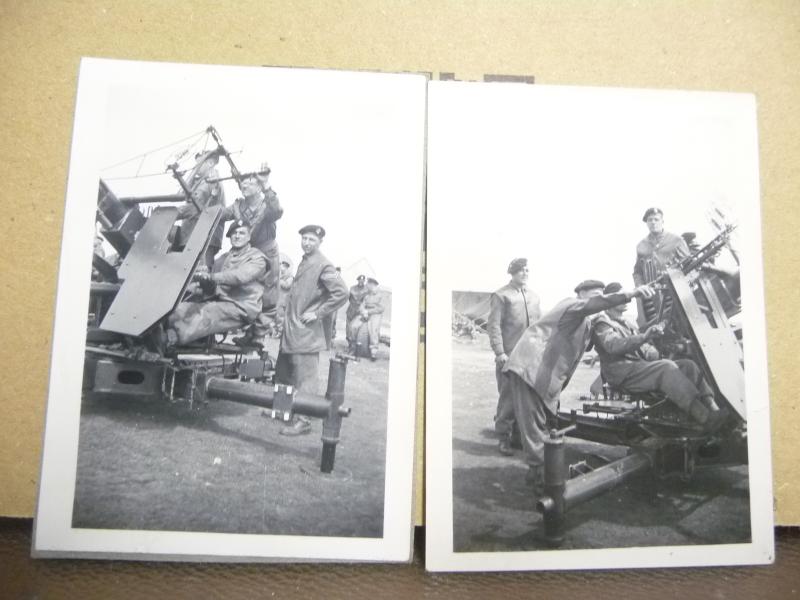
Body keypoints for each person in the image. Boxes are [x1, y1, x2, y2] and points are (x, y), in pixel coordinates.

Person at [500, 279, 655, 490]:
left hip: (543, 377)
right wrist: (631, 294)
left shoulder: (585, 321)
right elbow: (592, 306)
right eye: (595, 296)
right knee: (536, 427)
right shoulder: (571, 305)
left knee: (542, 424)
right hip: (530, 370)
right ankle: (540, 478)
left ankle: (535, 470)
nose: (599, 301)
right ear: (581, 294)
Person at [591, 281, 727, 429]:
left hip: (637, 367)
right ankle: (704, 417)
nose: (628, 299)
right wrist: (644, 337)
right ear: (612, 299)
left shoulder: (628, 323)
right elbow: (613, 345)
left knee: (688, 365)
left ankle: (714, 410)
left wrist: (656, 347)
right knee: (666, 368)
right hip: (623, 374)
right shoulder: (602, 323)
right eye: (622, 296)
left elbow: (643, 348)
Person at [275, 225, 348, 435]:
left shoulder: (323, 265)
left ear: (319, 242)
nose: (306, 243)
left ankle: (304, 420)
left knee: (305, 378)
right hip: (291, 330)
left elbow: (342, 293)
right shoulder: (305, 261)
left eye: (311, 240)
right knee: (284, 372)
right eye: (304, 239)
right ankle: (282, 411)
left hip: (306, 333)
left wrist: (317, 313)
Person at [164, 219, 267, 346]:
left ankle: (168, 340)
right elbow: (209, 280)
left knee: (206, 312)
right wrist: (198, 279)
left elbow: (241, 276)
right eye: (234, 233)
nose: (237, 236)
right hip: (220, 301)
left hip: (242, 307)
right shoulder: (223, 259)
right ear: (230, 237)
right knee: (179, 310)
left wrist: (211, 277)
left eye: (242, 233)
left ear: (249, 236)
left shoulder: (257, 258)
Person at [219, 167, 283, 349]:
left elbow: (277, 210)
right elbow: (220, 214)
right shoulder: (238, 205)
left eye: (250, 182)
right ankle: (248, 331)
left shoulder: (266, 205)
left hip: (267, 251)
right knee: (246, 291)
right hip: (248, 252)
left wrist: (266, 184)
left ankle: (258, 335)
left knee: (268, 295)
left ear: (259, 187)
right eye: (243, 182)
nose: (244, 184)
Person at [487, 258, 541, 456]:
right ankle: (503, 438)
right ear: (512, 273)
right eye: (520, 270)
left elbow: (539, 327)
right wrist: (500, 352)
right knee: (508, 397)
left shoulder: (534, 297)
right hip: (508, 356)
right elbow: (493, 326)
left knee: (527, 398)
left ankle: (519, 437)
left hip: (530, 357)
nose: (525, 273)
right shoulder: (501, 296)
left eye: (527, 270)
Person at [632, 207, 691, 326]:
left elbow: (689, 265)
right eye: (650, 220)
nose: (653, 222)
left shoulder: (676, 240)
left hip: (675, 292)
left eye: (656, 219)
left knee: (680, 322)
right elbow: (637, 272)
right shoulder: (641, 246)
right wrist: (640, 286)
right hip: (652, 296)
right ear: (646, 223)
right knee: (659, 325)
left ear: (662, 221)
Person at [175, 150, 226, 270]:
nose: (195, 167)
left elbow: (193, 206)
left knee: (198, 275)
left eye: (199, 164)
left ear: (210, 163)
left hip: (201, 237)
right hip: (195, 235)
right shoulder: (202, 181)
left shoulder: (210, 181)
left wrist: (169, 214)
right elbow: (184, 195)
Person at [348, 277, 385, 360]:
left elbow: (381, 309)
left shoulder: (380, 295)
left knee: (373, 329)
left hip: (375, 314)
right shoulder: (367, 295)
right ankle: (353, 348)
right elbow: (362, 305)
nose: (367, 285)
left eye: (368, 284)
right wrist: (363, 311)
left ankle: (373, 353)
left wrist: (368, 312)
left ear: (373, 285)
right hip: (365, 313)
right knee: (353, 326)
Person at [345, 275, 369, 348]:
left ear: (364, 281)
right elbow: (349, 298)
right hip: (351, 310)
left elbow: (366, 301)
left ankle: (354, 345)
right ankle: (349, 342)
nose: (361, 282)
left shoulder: (366, 290)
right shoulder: (352, 288)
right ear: (357, 280)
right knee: (348, 328)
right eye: (360, 280)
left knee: (356, 328)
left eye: (362, 280)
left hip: (359, 311)